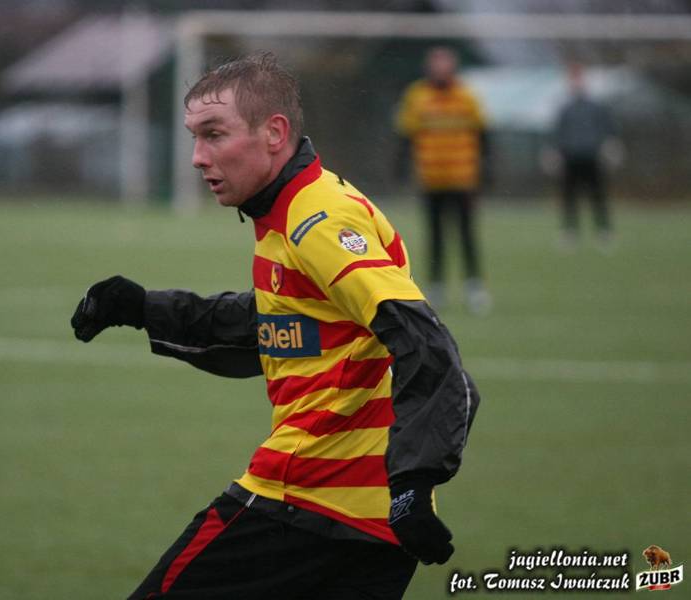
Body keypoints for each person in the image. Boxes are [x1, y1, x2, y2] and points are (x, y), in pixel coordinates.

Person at [71, 53, 480, 599]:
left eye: (214, 134)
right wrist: (145, 308)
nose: (197, 157)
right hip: (371, 524)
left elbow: (427, 344)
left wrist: (414, 479)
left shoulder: (316, 220)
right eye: (194, 137)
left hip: (303, 499)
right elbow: (278, 324)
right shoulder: (291, 212)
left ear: (274, 133)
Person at [395, 46, 491, 315]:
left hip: (463, 178)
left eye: (445, 64)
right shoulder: (417, 96)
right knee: (434, 235)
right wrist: (401, 167)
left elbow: (483, 134)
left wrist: (486, 169)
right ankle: (436, 286)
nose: (440, 70)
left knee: (466, 234)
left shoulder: (467, 96)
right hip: (431, 179)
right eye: (436, 64)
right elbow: (407, 135)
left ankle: (474, 286)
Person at [551, 62, 619, 252]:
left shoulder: (596, 107)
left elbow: (608, 128)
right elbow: (558, 133)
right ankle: (570, 231)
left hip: (592, 156)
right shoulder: (565, 108)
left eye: (579, 79)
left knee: (597, 195)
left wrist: (611, 146)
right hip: (571, 157)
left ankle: (603, 230)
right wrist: (555, 152)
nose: (576, 83)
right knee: (569, 197)